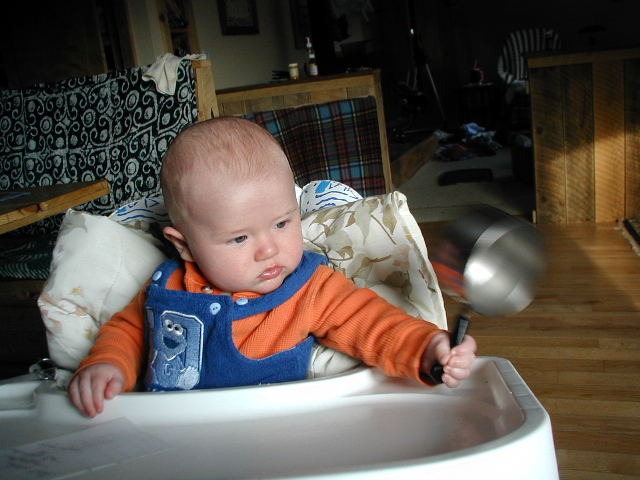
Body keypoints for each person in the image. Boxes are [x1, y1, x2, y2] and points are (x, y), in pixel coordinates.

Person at [68, 117, 477, 417]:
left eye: (282, 223)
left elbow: (374, 323)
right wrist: (106, 365)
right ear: (184, 245)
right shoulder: (168, 287)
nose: (269, 250)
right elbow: (129, 331)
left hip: (279, 432)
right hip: (169, 434)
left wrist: (428, 348)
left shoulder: (310, 288)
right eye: (239, 238)